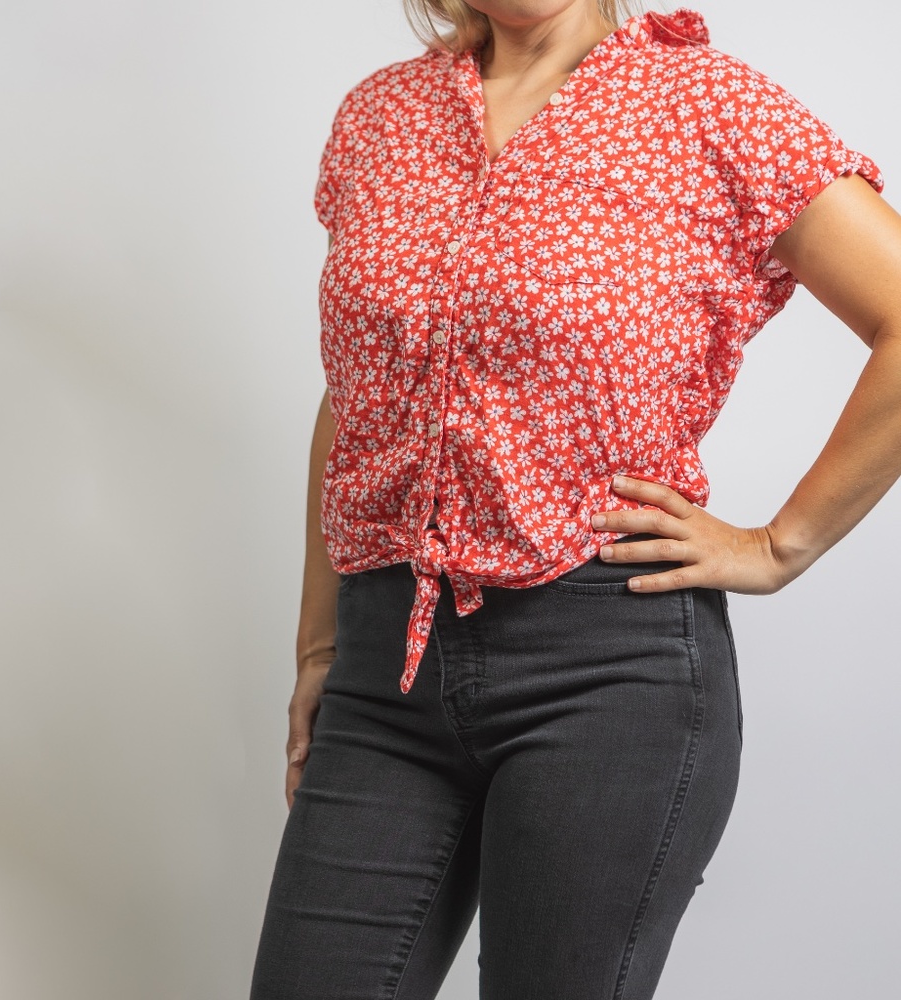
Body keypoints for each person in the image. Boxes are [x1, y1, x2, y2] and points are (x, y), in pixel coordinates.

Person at [250, 2, 901, 997]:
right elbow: (362, 394)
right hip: (386, 673)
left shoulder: (712, 106)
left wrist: (780, 544)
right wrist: (321, 644)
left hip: (607, 672)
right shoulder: (380, 116)